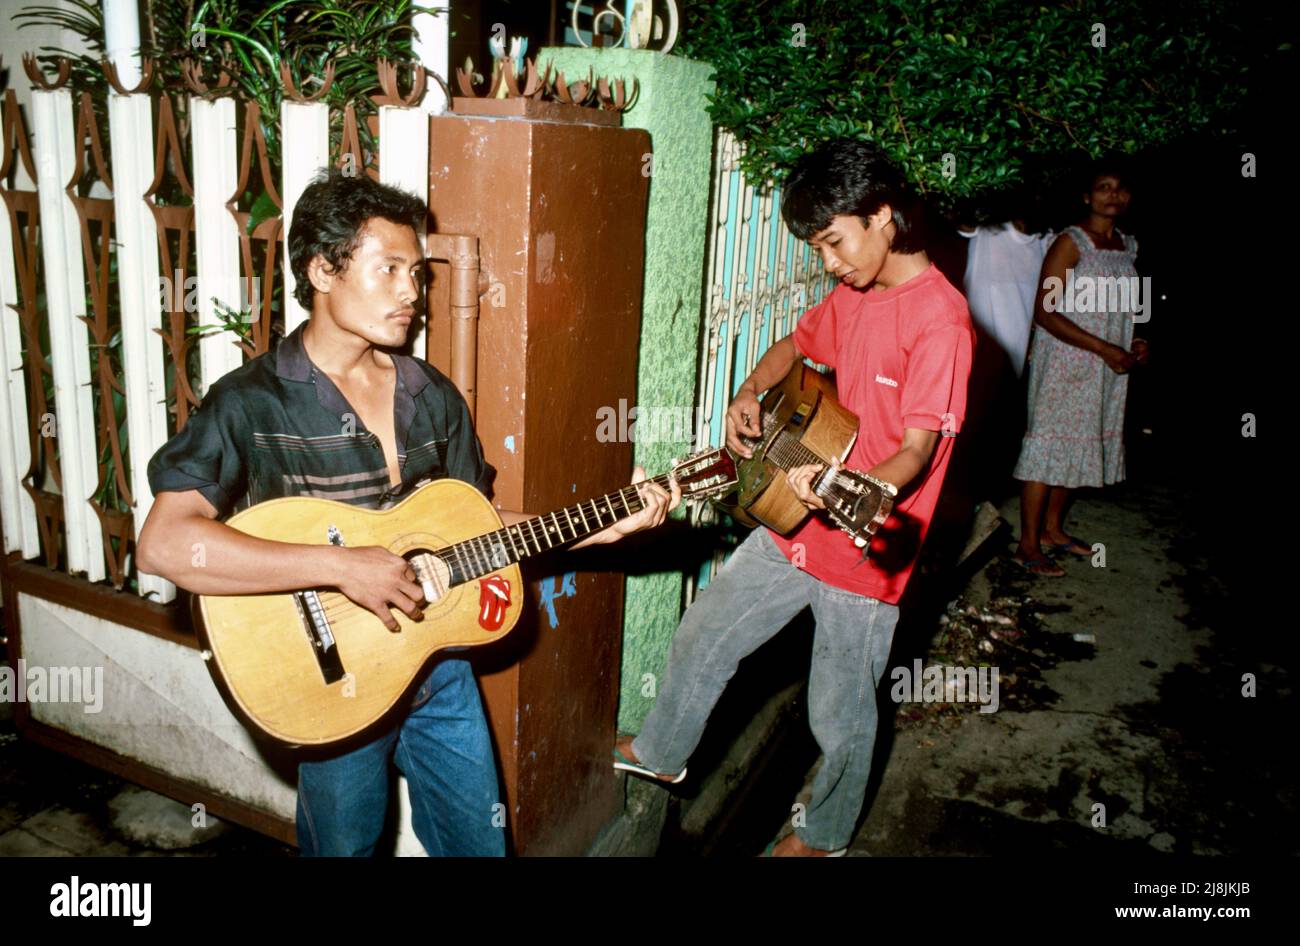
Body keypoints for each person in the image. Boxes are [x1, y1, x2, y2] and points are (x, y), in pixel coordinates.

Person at [136, 169, 679, 856]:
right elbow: (163, 545)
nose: (411, 293)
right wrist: (338, 567)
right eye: (388, 268)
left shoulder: (431, 394)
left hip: (438, 668)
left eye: (417, 273)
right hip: (333, 679)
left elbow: (476, 529)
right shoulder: (251, 403)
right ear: (322, 270)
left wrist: (599, 529)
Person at [613, 140, 974, 856]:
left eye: (836, 242)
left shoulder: (942, 321)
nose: (830, 262)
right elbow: (792, 346)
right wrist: (747, 392)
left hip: (865, 552)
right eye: (818, 248)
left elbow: (917, 449)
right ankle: (661, 749)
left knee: (837, 713)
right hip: (792, 521)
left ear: (883, 215)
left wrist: (861, 488)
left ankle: (827, 835)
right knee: (705, 632)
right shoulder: (853, 297)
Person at [1011, 162, 1149, 576]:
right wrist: (1103, 347)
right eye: (1103, 188)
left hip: (1106, 366)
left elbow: (1128, 305)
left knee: (1080, 442)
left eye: (1121, 188)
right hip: (1067, 360)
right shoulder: (1070, 242)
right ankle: (1027, 545)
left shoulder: (1129, 245)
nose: (1114, 195)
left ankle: (1053, 530)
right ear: (1087, 197)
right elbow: (1045, 311)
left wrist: (1136, 340)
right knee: (1046, 446)